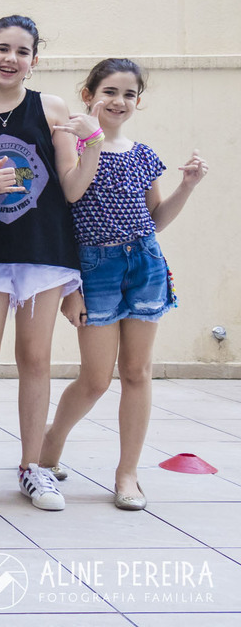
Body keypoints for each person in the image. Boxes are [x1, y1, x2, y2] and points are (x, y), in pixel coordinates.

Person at [39, 59, 207, 510]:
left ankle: (126, 473)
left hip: (146, 263)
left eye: (129, 94)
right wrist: (70, 287)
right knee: (95, 379)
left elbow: (155, 220)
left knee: (137, 372)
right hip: (95, 268)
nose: (119, 101)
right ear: (88, 94)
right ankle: (51, 439)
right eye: (110, 91)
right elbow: (70, 198)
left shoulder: (144, 154)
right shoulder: (70, 140)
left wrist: (186, 187)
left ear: (138, 101)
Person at [0, 15, 93, 512]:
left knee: (35, 359)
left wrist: (91, 140)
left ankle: (35, 467)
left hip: (41, 251)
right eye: (1, 48)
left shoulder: (51, 108)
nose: (10, 58)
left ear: (34, 60)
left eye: (22, 51)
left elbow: (71, 188)